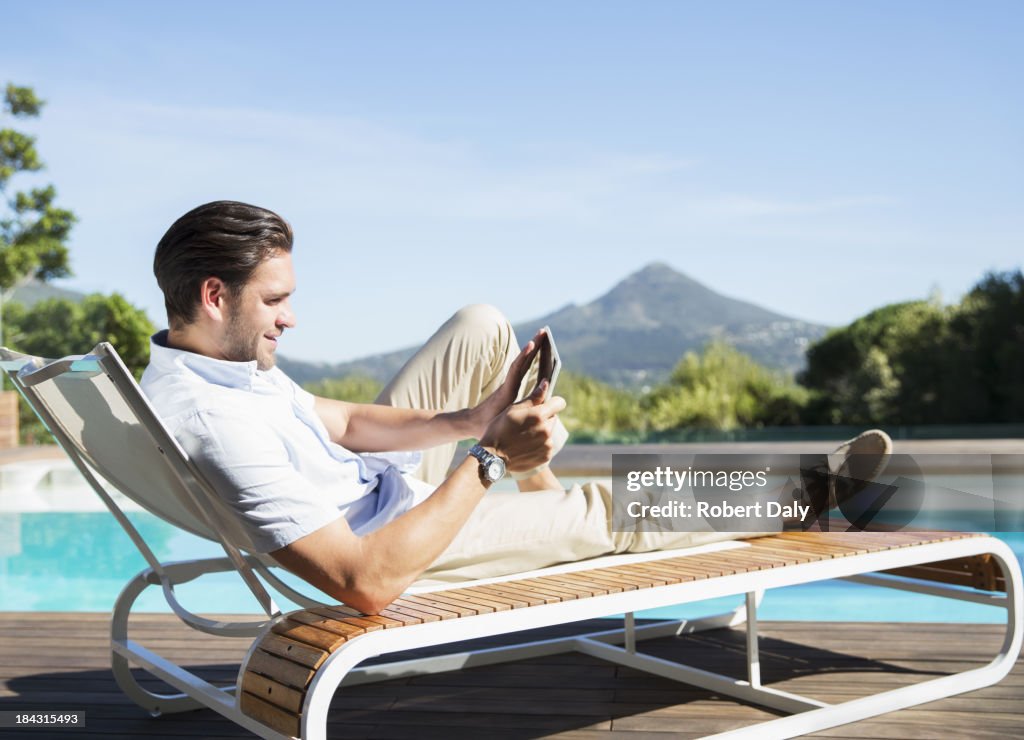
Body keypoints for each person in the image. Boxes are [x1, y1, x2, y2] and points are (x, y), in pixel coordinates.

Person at [141, 200, 892, 615]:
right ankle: (810, 491)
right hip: (402, 540)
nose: (290, 319)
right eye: (275, 301)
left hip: (388, 486)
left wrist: (473, 419)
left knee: (480, 325)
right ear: (215, 295)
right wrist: (491, 458)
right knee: (613, 508)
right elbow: (365, 582)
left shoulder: (220, 364)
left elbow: (337, 423)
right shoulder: (214, 421)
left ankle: (541, 502)